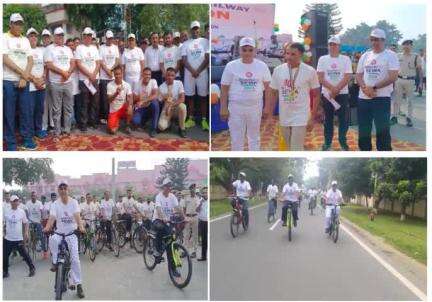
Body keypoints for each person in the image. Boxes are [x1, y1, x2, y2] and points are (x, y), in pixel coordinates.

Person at [266, 43, 321, 151]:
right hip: (284, 115)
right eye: (287, 53)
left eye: (293, 54)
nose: (289, 57)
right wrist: (270, 115)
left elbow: (316, 95)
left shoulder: (310, 71)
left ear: (300, 55)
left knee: (296, 148)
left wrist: (312, 117)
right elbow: (273, 93)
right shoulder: (278, 70)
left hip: (301, 114)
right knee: (287, 147)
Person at [220, 37, 271, 151]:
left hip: (255, 107)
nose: (247, 53)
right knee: (236, 138)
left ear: (255, 51)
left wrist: (267, 107)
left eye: (250, 50)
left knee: (254, 137)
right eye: (244, 49)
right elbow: (224, 88)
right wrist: (223, 108)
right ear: (239, 50)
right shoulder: (231, 66)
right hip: (236, 107)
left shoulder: (262, 66)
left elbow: (268, 88)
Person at [355, 28, 399, 151]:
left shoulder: (391, 55)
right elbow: (358, 75)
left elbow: (393, 76)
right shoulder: (365, 55)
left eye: (377, 40)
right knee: (364, 129)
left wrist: (373, 87)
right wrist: (365, 88)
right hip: (363, 98)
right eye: (372, 40)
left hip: (381, 98)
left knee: (382, 130)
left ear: (383, 40)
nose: (374, 42)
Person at [43, 183, 85, 298]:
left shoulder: (74, 202)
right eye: (60, 189)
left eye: (64, 188)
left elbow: (77, 216)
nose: (62, 190)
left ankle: (79, 285)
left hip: (71, 234)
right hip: (59, 233)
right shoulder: (55, 204)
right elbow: (52, 218)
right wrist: (47, 227)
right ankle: (55, 262)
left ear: (68, 190)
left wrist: (81, 227)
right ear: (58, 191)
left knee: (75, 259)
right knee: (52, 239)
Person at [3, 13, 36, 151]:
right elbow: (5, 59)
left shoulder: (25, 41)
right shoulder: (4, 37)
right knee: (8, 113)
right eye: (16, 23)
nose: (18, 26)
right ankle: (10, 142)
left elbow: (30, 60)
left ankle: (27, 139)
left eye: (20, 23)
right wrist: (23, 74)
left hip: (24, 81)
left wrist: (24, 78)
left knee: (25, 111)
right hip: (8, 81)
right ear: (10, 24)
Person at [317, 36, 353, 151]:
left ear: (339, 46)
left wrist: (336, 89)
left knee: (344, 119)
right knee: (328, 120)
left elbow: (348, 76)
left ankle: (343, 141)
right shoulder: (322, 59)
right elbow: (320, 77)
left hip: (342, 94)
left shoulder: (346, 59)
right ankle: (327, 142)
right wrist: (332, 89)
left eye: (335, 44)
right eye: (330, 44)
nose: (332, 46)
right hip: (327, 95)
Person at [45, 27, 76, 140]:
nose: (60, 37)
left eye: (62, 35)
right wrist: (63, 73)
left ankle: (67, 130)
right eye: (58, 35)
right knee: (56, 109)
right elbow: (49, 65)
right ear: (54, 36)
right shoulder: (49, 48)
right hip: (55, 83)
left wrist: (67, 73)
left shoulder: (68, 49)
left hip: (68, 82)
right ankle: (57, 132)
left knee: (68, 108)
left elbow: (73, 63)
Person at [152, 178, 184, 277]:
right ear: (164, 187)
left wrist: (184, 216)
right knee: (161, 229)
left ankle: (173, 268)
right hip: (158, 219)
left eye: (170, 186)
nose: (169, 188)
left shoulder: (172, 196)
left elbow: (178, 207)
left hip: (168, 221)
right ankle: (157, 251)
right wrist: (163, 217)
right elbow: (158, 208)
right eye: (167, 186)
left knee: (171, 242)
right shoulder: (159, 197)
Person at [182, 21, 210, 131]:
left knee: (203, 97)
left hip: (202, 73)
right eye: (193, 28)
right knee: (190, 97)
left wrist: (197, 71)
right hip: (189, 74)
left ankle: (204, 120)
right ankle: (191, 119)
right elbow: (184, 60)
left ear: (199, 30)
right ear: (191, 30)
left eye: (197, 28)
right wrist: (193, 71)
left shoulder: (205, 41)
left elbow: (207, 58)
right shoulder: (185, 44)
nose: (195, 30)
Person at [75, 27, 101, 132]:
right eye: (86, 35)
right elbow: (78, 64)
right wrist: (89, 74)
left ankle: (93, 121)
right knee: (84, 103)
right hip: (84, 80)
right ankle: (83, 124)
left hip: (94, 79)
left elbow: (98, 63)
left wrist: (93, 74)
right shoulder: (79, 48)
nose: (88, 37)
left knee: (94, 102)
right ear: (83, 36)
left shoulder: (94, 48)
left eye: (90, 36)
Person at [3, 195, 36, 278]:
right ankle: (5, 272)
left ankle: (32, 269)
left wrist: (26, 233)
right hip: (8, 238)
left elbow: (26, 223)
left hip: (18, 238)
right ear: (11, 202)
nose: (16, 202)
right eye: (14, 201)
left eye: (17, 200)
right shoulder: (6, 211)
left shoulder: (21, 212)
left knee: (24, 254)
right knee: (4, 256)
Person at [392, 40, 422, 127]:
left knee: (410, 101)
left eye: (408, 45)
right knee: (396, 100)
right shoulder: (398, 56)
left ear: (411, 46)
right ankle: (394, 117)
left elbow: (419, 70)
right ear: (402, 46)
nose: (406, 46)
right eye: (404, 44)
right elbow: (394, 69)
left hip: (410, 80)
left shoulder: (416, 57)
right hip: (399, 80)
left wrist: (420, 82)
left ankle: (409, 118)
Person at [27, 28, 47, 140]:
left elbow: (45, 67)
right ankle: (30, 132)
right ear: (27, 38)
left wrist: (43, 78)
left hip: (41, 85)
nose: (33, 38)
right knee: (29, 110)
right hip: (30, 85)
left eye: (35, 36)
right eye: (31, 36)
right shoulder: (26, 51)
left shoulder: (41, 51)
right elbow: (24, 69)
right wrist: (35, 80)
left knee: (40, 109)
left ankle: (38, 130)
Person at [158, 67, 187, 137]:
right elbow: (159, 101)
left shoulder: (179, 83)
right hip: (166, 108)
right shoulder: (161, 87)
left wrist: (171, 105)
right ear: (165, 75)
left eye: (172, 75)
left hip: (176, 107)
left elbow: (182, 99)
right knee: (161, 127)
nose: (170, 77)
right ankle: (169, 123)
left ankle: (182, 128)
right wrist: (163, 97)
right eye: (168, 75)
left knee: (182, 107)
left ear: (175, 76)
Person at [99, 30, 120, 126]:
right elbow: (100, 61)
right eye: (108, 38)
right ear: (105, 38)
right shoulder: (101, 47)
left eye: (111, 38)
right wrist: (107, 70)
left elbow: (117, 60)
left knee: (113, 97)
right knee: (104, 98)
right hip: (104, 77)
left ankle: (113, 115)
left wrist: (111, 70)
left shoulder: (115, 47)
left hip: (112, 77)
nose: (109, 40)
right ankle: (104, 117)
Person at [132, 67, 160, 137]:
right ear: (142, 75)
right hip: (141, 107)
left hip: (150, 105)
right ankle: (143, 122)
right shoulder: (138, 83)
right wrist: (139, 97)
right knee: (135, 121)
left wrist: (144, 100)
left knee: (155, 103)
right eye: (146, 74)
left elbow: (155, 95)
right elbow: (134, 98)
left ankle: (154, 128)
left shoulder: (153, 81)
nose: (147, 76)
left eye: (149, 74)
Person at [107, 65, 133, 134]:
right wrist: (116, 93)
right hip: (114, 110)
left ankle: (127, 125)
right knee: (112, 131)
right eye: (116, 74)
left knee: (130, 108)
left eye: (119, 74)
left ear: (122, 74)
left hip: (122, 108)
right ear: (114, 75)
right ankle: (117, 122)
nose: (117, 76)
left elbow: (130, 97)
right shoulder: (109, 85)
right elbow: (109, 101)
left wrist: (130, 105)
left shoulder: (127, 85)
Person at [181, 184, 200, 258]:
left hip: (195, 217)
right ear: (190, 190)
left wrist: (200, 204)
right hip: (187, 217)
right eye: (192, 189)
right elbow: (184, 208)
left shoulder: (197, 198)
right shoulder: (186, 198)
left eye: (194, 189)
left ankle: (194, 251)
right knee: (186, 235)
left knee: (195, 235)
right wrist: (184, 217)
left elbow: (198, 209)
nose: (193, 190)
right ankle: (185, 251)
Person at [196, 186, 208, 261]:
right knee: (204, 240)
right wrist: (200, 203)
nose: (205, 194)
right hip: (202, 222)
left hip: (208, 222)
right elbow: (197, 210)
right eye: (203, 193)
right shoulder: (200, 200)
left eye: (206, 192)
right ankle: (203, 257)